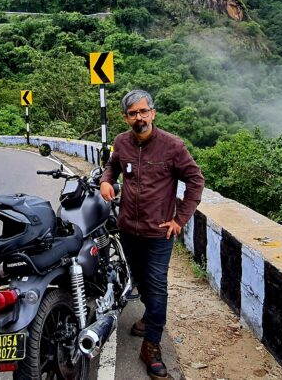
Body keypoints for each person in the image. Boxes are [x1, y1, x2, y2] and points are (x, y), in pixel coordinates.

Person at [99, 89, 204, 380]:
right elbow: (112, 166)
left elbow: (196, 181)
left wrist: (180, 219)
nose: (139, 118)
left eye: (143, 111)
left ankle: (151, 346)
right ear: (126, 117)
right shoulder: (121, 142)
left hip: (159, 233)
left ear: (153, 113)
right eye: (133, 113)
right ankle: (148, 318)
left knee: (156, 286)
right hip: (128, 230)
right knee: (139, 280)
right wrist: (106, 182)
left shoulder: (172, 146)